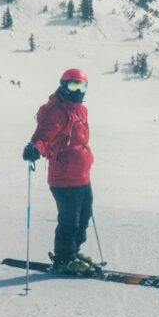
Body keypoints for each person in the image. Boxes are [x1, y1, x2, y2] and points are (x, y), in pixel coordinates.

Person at [22, 68, 98, 275]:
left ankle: (72, 253)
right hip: (64, 178)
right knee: (69, 222)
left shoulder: (80, 109)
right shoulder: (56, 112)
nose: (78, 90)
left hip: (81, 175)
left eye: (82, 86)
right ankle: (64, 260)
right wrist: (35, 148)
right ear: (63, 86)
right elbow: (44, 136)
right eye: (73, 85)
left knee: (83, 218)